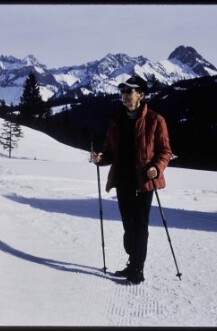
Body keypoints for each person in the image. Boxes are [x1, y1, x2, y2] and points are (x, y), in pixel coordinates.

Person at [92, 74, 172, 284]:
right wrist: (100, 159)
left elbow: (165, 151)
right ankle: (132, 261)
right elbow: (110, 151)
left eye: (129, 91)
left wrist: (157, 167)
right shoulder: (116, 121)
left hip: (144, 181)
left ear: (141, 95)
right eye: (122, 91)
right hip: (122, 180)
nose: (124, 95)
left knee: (140, 225)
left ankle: (138, 269)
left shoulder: (156, 120)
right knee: (129, 226)